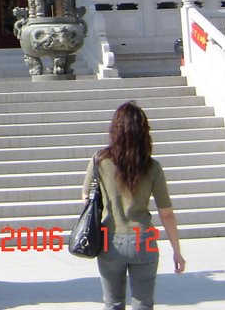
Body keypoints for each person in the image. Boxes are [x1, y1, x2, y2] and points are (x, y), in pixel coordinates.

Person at [83, 102, 185, 310]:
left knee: (112, 303)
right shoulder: (152, 166)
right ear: (143, 132)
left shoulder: (99, 160)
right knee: (143, 305)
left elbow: (86, 197)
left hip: (109, 240)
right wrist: (177, 251)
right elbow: (166, 213)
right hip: (143, 240)